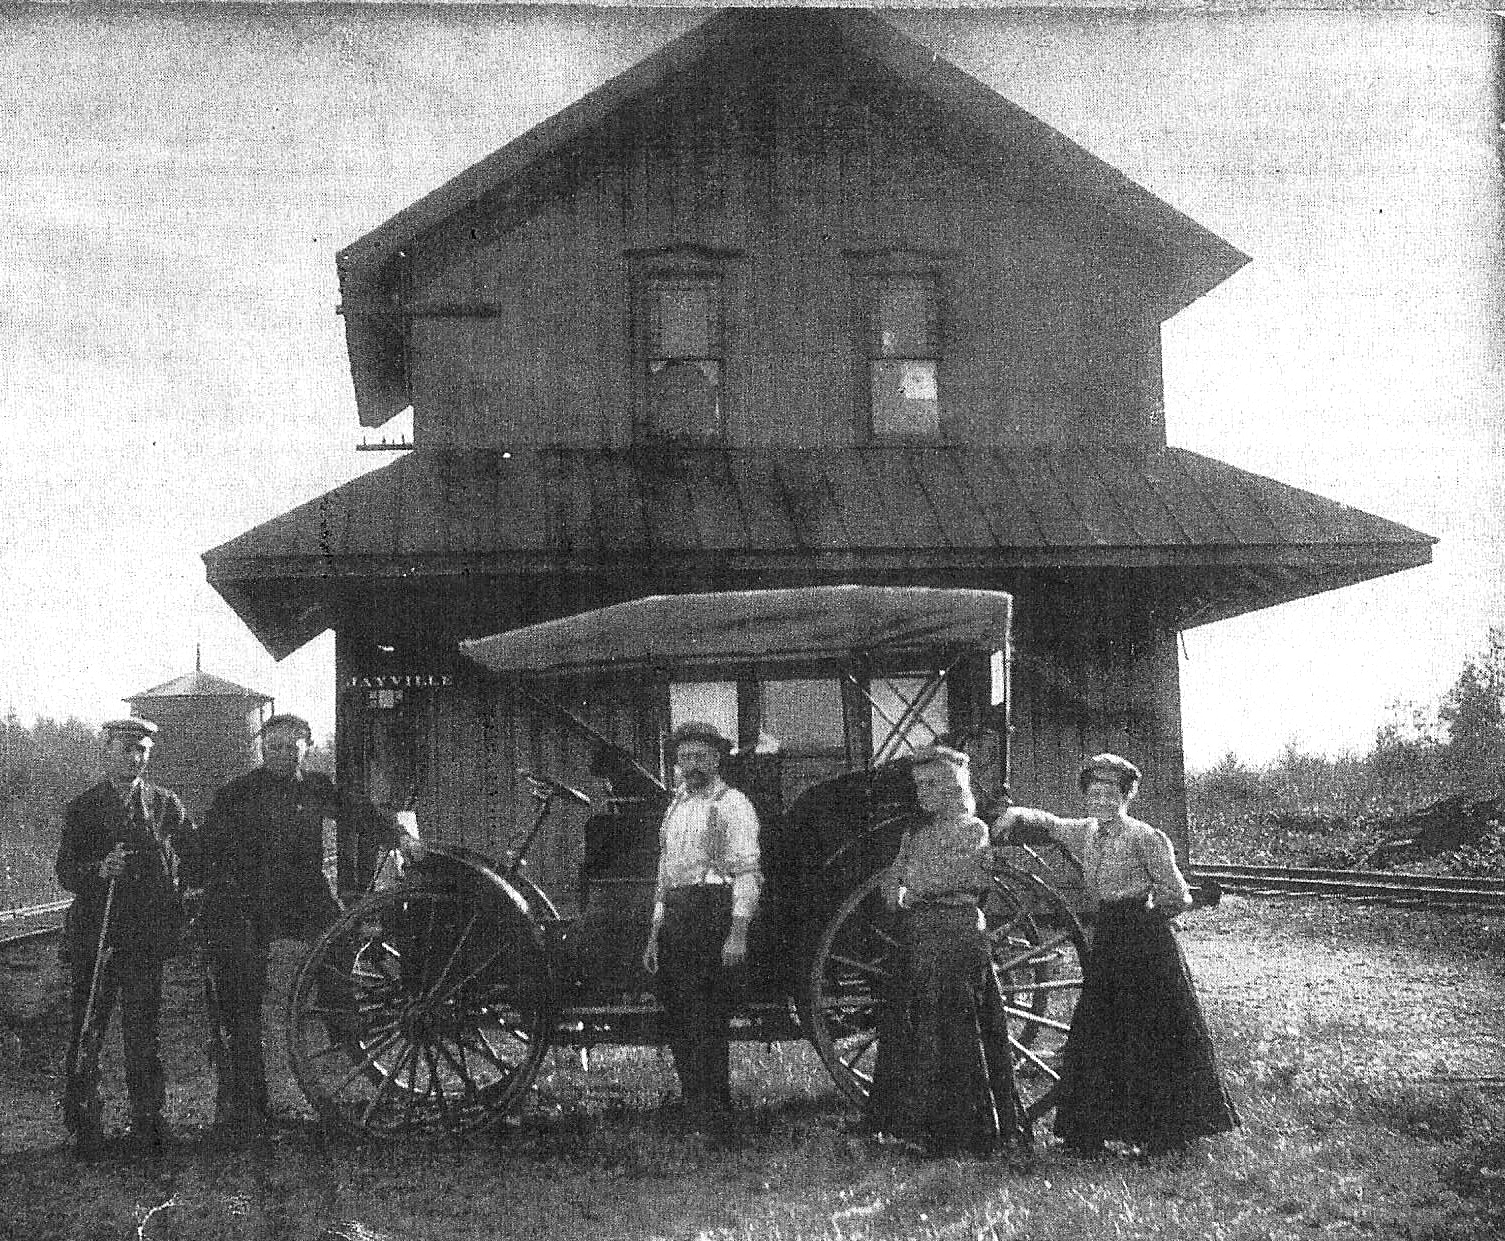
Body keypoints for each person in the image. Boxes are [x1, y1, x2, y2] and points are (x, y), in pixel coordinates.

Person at [995, 753, 1239, 1156]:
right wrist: (1012, 815)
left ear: (1127, 796)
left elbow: (1176, 896)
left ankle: (1162, 1136)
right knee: (1098, 1028)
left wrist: (1147, 914)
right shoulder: (1087, 833)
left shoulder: (1146, 837)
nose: (1102, 801)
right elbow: (1050, 825)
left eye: (1111, 793)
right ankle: (1086, 1133)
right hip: (1108, 939)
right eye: (1094, 793)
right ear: (1086, 797)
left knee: (1149, 1033)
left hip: (1146, 945)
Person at [198, 712, 415, 1141]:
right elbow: (208, 849)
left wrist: (400, 837)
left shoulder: (316, 788)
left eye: (291, 747)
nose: (282, 754)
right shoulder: (236, 794)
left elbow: (359, 814)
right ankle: (247, 1106)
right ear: (262, 749)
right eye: (273, 747)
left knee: (342, 955)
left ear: (307, 747)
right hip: (251, 900)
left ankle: (346, 1037)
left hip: (305, 894)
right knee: (242, 999)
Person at [865, 744, 1032, 1158]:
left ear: (954, 787)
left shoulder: (971, 829)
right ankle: (921, 1131)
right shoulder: (914, 834)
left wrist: (910, 892)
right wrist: (899, 893)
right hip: (921, 937)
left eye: (933, 783)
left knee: (958, 1029)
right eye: (919, 784)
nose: (924, 792)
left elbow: (956, 877)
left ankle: (969, 1133)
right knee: (920, 1028)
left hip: (957, 936)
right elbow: (893, 880)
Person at [56, 717, 201, 1158]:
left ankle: (148, 1124)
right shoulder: (84, 807)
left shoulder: (164, 803)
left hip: (144, 937)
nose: (133, 757)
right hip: (96, 937)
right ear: (106, 752)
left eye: (141, 750)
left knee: (144, 1031)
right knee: (88, 1029)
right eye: (125, 749)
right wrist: (99, 871)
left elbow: (193, 854)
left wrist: (192, 886)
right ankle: (84, 1126)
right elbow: (66, 871)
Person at [641, 721, 762, 1129]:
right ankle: (695, 1103)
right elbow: (664, 875)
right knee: (679, 1014)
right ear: (676, 763)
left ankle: (715, 1112)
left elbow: (747, 873)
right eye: (685, 758)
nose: (692, 765)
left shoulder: (733, 805)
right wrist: (656, 932)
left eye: (701, 756)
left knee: (708, 1017)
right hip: (676, 914)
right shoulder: (676, 807)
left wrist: (738, 933)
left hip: (712, 912)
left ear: (717, 758)